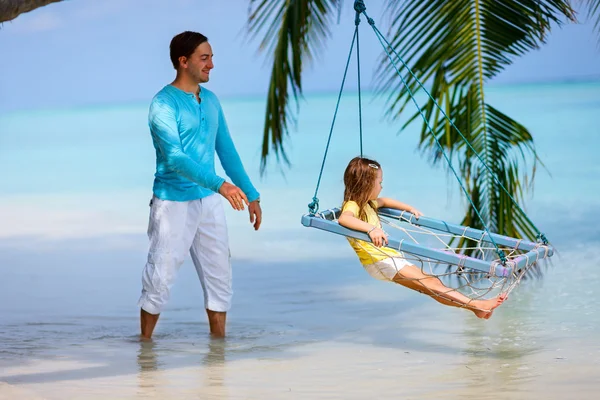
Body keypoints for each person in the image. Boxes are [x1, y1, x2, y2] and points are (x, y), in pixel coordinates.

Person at [138, 31, 262, 339]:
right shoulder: (163, 105)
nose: (211, 65)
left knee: (220, 278)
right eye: (204, 58)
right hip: (172, 203)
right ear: (184, 62)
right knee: (160, 280)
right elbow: (176, 158)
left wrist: (251, 194)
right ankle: (144, 350)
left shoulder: (210, 100)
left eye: (211, 58)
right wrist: (222, 185)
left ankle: (218, 354)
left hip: (209, 202)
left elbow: (227, 150)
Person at [338, 157, 505, 319]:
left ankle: (474, 309)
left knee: (432, 286)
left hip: (388, 259)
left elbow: (385, 201)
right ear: (366, 184)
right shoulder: (352, 204)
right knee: (431, 283)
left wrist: (409, 208)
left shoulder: (369, 203)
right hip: (380, 261)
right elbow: (344, 218)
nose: (381, 187)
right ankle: (478, 304)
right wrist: (371, 229)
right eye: (379, 183)